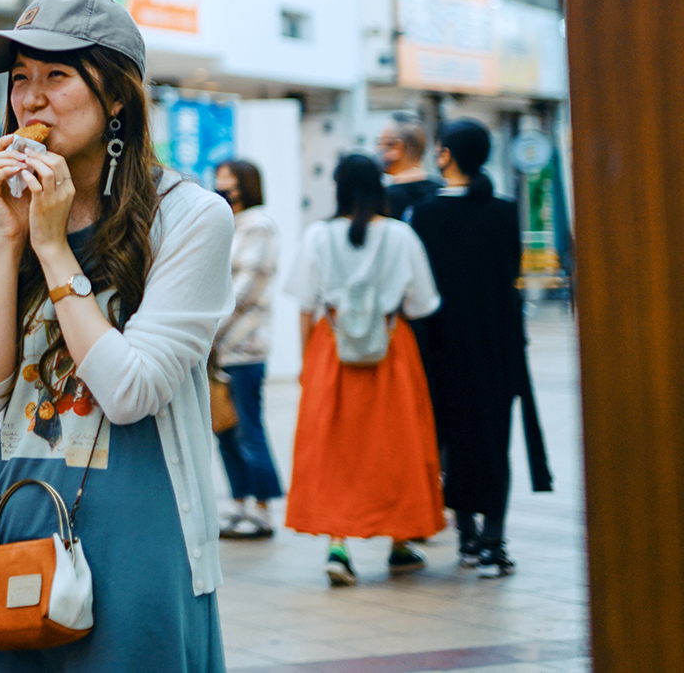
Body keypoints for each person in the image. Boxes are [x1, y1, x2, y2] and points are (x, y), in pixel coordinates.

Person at [0, 0, 233, 673]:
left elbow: (131, 389)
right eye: (20, 76)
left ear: (116, 97)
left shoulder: (189, 217)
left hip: (139, 531)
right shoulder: (1, 219)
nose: (31, 99)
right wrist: (13, 236)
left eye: (57, 75)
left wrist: (51, 248)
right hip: (16, 512)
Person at [282, 154, 444, 587]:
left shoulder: (318, 235)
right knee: (397, 446)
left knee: (335, 449)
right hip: (391, 351)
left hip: (331, 352)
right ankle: (399, 542)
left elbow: (304, 305)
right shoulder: (401, 235)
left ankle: (338, 545)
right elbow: (422, 304)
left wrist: (305, 363)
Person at [409, 118, 552, 578]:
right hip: (497, 345)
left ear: (447, 154)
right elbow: (510, 276)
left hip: (442, 346)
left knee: (450, 439)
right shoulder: (505, 211)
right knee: (493, 441)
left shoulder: (427, 215)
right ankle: (494, 538)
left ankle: (467, 537)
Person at [211, 160, 283, 540]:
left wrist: (208, 327)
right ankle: (239, 504)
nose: (225, 192)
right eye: (220, 184)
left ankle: (262, 509)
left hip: (245, 348)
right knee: (224, 429)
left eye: (232, 185)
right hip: (219, 350)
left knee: (248, 431)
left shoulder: (260, 225)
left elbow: (244, 290)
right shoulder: (228, 224)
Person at [378, 111, 440, 222]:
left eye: (381, 142)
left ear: (397, 148)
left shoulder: (383, 199)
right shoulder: (441, 191)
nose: (378, 149)